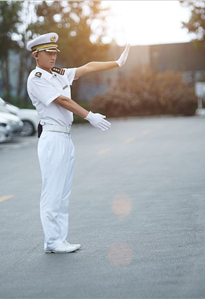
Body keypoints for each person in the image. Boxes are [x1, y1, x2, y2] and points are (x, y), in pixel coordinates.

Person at [26, 32, 130, 253]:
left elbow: (87, 67)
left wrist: (117, 62)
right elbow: (62, 100)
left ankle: (59, 239)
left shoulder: (57, 73)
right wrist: (89, 115)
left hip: (65, 137)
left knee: (63, 193)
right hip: (52, 138)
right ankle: (52, 241)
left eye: (55, 53)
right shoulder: (36, 78)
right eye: (48, 53)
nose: (53, 57)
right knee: (52, 192)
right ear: (36, 55)